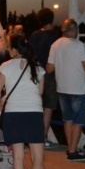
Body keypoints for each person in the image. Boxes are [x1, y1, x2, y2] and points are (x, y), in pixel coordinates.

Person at [0, 35, 54, 169]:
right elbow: (40, 92)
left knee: (18, 158)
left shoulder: (5, 66)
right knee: (38, 160)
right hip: (34, 114)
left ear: (13, 50)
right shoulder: (38, 68)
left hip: (13, 115)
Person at [47, 18, 85, 162]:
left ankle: (70, 148)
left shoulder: (55, 45)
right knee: (78, 121)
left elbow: (49, 68)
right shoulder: (78, 45)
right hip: (78, 89)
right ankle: (72, 152)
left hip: (62, 88)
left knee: (67, 120)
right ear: (73, 30)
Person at [28, 8, 60, 148]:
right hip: (49, 76)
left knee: (34, 107)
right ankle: (42, 138)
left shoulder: (34, 35)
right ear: (52, 19)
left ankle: (30, 136)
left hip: (34, 74)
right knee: (47, 108)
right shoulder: (55, 37)